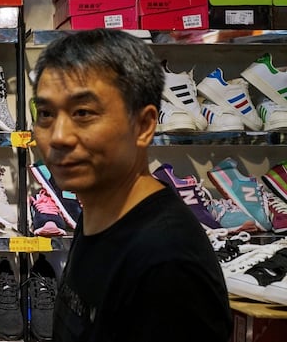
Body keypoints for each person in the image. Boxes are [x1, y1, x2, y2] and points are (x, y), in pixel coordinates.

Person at [30, 29, 232, 342]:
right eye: (45, 113)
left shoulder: (167, 266)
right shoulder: (102, 209)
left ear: (144, 125)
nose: (58, 136)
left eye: (82, 113)